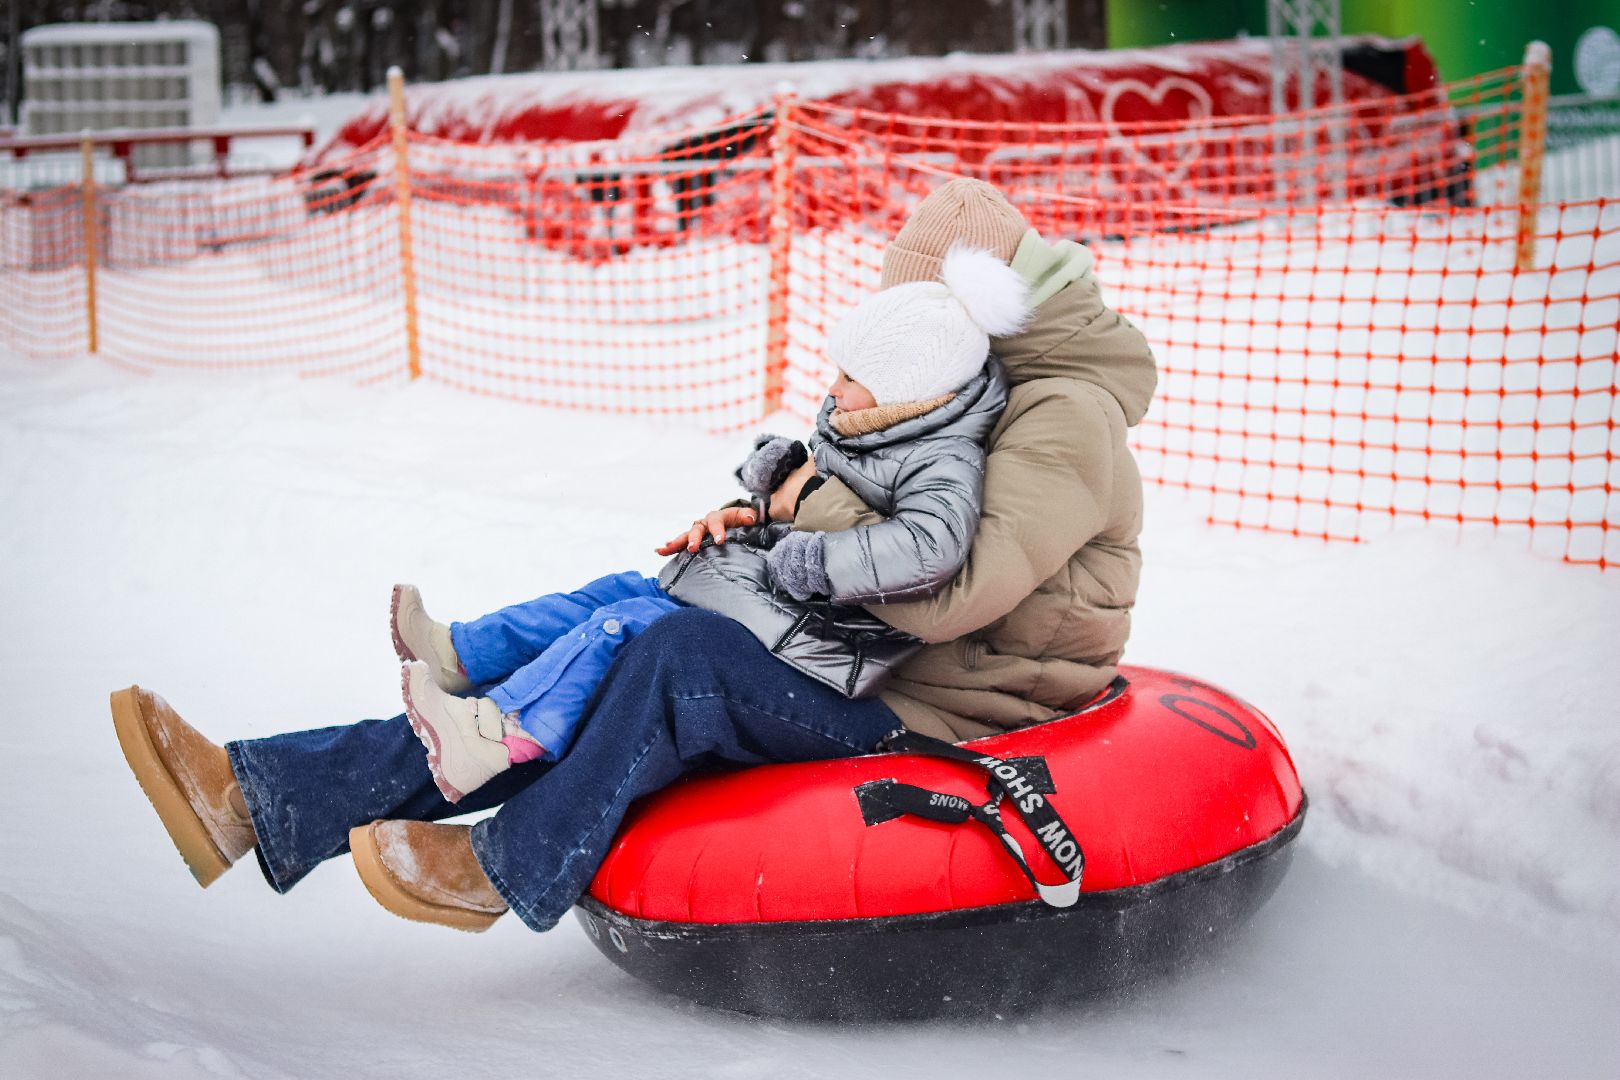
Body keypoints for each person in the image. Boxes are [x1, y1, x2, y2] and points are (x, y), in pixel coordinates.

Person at [110, 178, 1156, 934]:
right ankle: (260, 797)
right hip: (860, 650)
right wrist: (757, 521)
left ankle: (503, 869)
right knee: (630, 614)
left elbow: (954, 591)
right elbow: (864, 510)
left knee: (673, 658)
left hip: (951, 701)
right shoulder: (973, 388)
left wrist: (797, 516)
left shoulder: (1060, 416)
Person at [394, 244, 1023, 804]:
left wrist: (811, 562)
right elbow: (816, 504)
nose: (832, 389)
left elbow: (929, 545)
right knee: (615, 592)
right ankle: (462, 653)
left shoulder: (944, 458)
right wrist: (755, 514)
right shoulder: (871, 423)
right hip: (771, 594)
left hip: (815, 635)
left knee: (630, 626)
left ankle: (500, 736)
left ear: (905, 388)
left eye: (850, 377)